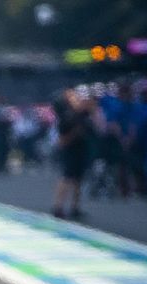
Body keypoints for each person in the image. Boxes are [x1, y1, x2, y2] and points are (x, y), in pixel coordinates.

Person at [52, 89, 91, 219]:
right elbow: (62, 141)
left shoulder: (80, 115)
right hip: (70, 150)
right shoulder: (65, 119)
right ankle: (58, 206)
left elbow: (90, 108)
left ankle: (75, 207)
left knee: (78, 179)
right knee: (67, 177)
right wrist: (75, 133)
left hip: (80, 148)